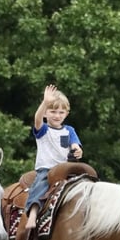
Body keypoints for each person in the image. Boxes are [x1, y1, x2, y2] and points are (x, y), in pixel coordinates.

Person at [23, 84, 83, 230]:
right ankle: (33, 213)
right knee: (41, 184)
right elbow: (37, 119)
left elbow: (75, 144)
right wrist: (45, 102)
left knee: (83, 181)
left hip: (65, 169)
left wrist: (77, 150)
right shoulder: (43, 130)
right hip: (47, 169)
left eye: (61, 112)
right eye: (53, 111)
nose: (57, 115)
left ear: (67, 114)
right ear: (46, 114)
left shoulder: (69, 130)